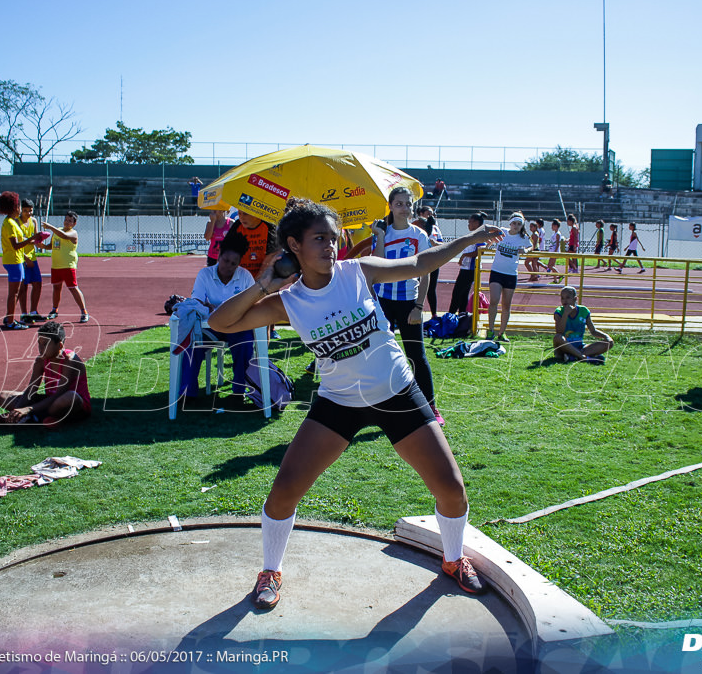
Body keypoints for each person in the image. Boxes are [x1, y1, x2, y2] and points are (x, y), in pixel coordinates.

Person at [208, 197, 504, 610]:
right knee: (284, 490)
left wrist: (469, 239)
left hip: (397, 392)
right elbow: (220, 323)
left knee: (452, 490)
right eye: (319, 239)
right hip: (339, 402)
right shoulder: (287, 301)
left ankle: (454, 560)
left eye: (333, 238)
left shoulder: (356, 272)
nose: (330, 246)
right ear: (293, 245)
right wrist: (263, 284)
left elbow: (420, 264)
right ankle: (270, 570)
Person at [372, 187, 443, 424]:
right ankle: (383, 405)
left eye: (408, 204)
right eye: (399, 204)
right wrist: (380, 237)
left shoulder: (419, 235)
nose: (405, 208)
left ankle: (431, 407)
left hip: (409, 302)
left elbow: (426, 273)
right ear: (390, 206)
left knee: (416, 356)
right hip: (383, 302)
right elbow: (378, 266)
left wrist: (419, 306)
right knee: (381, 355)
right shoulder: (382, 232)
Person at [181, 231, 256, 399]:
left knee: (245, 344)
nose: (228, 266)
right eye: (225, 260)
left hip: (237, 328)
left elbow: (252, 306)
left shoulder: (245, 277)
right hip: (210, 328)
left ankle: (239, 391)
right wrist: (230, 308)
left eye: (233, 263)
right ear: (218, 256)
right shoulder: (205, 274)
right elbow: (197, 304)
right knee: (192, 346)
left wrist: (214, 307)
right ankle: (188, 393)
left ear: (239, 264)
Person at [0, 321, 91, 425]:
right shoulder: (40, 361)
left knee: (70, 397)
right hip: (49, 401)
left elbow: (59, 395)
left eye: (45, 344)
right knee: (2, 396)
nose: (40, 348)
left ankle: (35, 416)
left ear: (59, 345)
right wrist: (17, 411)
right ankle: (34, 417)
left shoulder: (70, 360)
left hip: (68, 402)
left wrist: (27, 409)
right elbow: (31, 390)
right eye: (39, 343)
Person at [0, 192, 43, 330]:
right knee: (14, 293)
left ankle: (9, 317)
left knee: (18, 291)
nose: (19, 209)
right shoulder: (10, 224)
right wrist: (31, 239)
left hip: (16, 259)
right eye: (18, 206)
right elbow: (15, 245)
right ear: (14, 207)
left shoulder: (11, 222)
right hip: (13, 260)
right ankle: (11, 321)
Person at [486, 212, 532, 342]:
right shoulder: (503, 232)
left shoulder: (523, 237)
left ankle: (502, 332)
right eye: (514, 223)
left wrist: (526, 251)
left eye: (519, 224)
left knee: (506, 305)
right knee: (494, 300)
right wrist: (489, 244)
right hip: (497, 272)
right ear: (510, 223)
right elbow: (491, 239)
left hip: (511, 274)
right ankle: (490, 331)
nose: (516, 226)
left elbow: (531, 246)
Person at [41, 212, 89, 322]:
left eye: (70, 221)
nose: (67, 222)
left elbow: (64, 236)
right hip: (56, 264)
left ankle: (84, 311)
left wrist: (50, 227)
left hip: (68, 265)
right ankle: (54, 309)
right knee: (56, 288)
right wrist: (41, 245)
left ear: (74, 223)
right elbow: (51, 245)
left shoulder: (73, 233)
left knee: (73, 287)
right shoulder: (57, 231)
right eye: (66, 220)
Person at [552, 286, 614, 364]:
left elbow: (593, 331)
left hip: (580, 346)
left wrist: (607, 337)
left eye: (568, 297)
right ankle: (584, 357)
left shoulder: (584, 311)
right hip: (563, 347)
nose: (565, 301)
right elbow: (559, 331)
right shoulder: (559, 312)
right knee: (557, 337)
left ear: (575, 299)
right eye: (562, 298)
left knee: (609, 343)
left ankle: (573, 356)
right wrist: (565, 314)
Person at [448, 211, 486, 316]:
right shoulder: (472, 235)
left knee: (457, 293)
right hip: (466, 268)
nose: (468, 225)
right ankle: (461, 316)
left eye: (470, 222)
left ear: (476, 223)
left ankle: (450, 315)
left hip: (471, 269)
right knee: (463, 294)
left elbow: (480, 250)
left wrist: (464, 256)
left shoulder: (479, 235)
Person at [17, 199, 46, 324]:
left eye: (30, 211)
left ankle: (33, 311)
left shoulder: (33, 221)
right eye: (25, 211)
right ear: (20, 210)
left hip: (32, 256)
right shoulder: (16, 222)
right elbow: (17, 243)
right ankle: (24, 313)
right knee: (23, 287)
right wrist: (25, 257)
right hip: (22, 257)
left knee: (38, 283)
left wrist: (44, 243)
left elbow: (36, 241)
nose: (28, 213)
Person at [413, 205, 444, 318]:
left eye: (432, 213)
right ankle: (412, 311)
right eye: (428, 213)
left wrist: (436, 244)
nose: (431, 215)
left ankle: (434, 314)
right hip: (418, 261)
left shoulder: (435, 228)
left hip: (433, 261)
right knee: (415, 286)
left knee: (431, 288)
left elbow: (442, 244)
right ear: (421, 214)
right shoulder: (416, 226)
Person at [228, 210, 277, 278]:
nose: (241, 218)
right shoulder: (237, 225)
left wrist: (258, 278)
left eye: (245, 214)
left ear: (256, 214)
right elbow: (226, 249)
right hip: (241, 276)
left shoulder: (268, 226)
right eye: (239, 213)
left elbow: (272, 254)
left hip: (264, 277)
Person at [545, 219, 563, 283]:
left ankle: (560, 275)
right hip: (552, 250)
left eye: (552, 226)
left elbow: (558, 243)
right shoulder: (554, 234)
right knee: (552, 265)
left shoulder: (557, 234)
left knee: (550, 266)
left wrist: (555, 251)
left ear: (556, 226)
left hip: (554, 251)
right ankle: (555, 280)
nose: (551, 227)